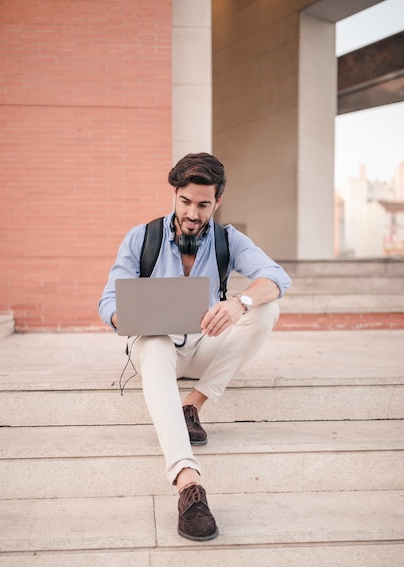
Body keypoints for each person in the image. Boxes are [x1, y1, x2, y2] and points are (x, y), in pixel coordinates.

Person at [99, 153, 291, 542]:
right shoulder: (142, 237)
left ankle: (193, 404)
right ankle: (189, 484)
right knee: (152, 343)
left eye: (203, 204)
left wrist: (240, 303)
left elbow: (276, 277)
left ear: (217, 201)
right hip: (160, 348)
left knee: (266, 310)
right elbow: (108, 303)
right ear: (175, 194)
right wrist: (131, 317)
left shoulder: (227, 239)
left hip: (205, 346)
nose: (192, 212)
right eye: (185, 201)